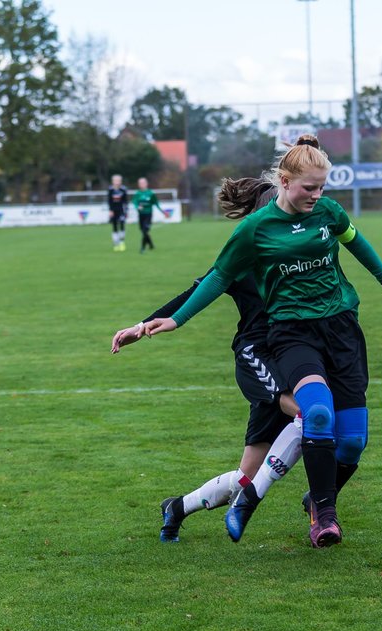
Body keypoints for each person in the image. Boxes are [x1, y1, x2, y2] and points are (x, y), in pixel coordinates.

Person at [143, 135, 382, 548]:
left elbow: (356, 242)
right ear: (284, 181)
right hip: (288, 339)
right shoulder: (254, 231)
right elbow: (216, 278)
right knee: (314, 415)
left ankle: (201, 504)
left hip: (341, 328)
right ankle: (318, 515)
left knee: (350, 441)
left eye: (322, 187)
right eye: (308, 187)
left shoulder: (328, 212)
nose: (317, 195)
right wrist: (173, 320)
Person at [111, 178, 301, 543]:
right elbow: (195, 292)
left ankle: (177, 507)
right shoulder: (241, 258)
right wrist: (141, 325)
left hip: (290, 356)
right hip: (255, 356)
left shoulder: (297, 252)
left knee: (245, 478)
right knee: (313, 415)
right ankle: (320, 506)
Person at [132, 177, 169, 252]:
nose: (141, 184)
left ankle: (142, 248)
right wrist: (137, 207)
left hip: (148, 214)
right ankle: (151, 245)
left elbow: (156, 203)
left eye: (143, 183)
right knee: (143, 231)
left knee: (145, 230)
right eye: (140, 183)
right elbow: (134, 202)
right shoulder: (138, 194)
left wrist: (163, 212)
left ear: (146, 184)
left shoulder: (151, 193)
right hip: (141, 215)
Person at [107, 174, 128, 252]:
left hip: (121, 210)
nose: (117, 182)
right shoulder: (110, 189)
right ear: (113, 181)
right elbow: (109, 201)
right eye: (115, 180)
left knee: (122, 225)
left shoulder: (123, 189)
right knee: (115, 227)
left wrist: (126, 211)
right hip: (113, 211)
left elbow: (125, 201)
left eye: (118, 180)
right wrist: (110, 210)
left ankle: (122, 242)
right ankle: (116, 244)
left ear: (120, 181)